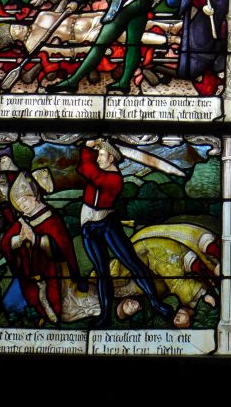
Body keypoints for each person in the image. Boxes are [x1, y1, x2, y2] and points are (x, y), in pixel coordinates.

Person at [76, 139, 174, 328]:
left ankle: (156, 303)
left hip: (107, 224)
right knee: (102, 272)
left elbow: (91, 174)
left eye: (101, 155)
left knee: (131, 262)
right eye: (98, 155)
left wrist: (87, 148)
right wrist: (91, 148)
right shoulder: (100, 170)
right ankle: (105, 315)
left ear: (111, 158)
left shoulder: (114, 179)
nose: (98, 159)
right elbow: (82, 169)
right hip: (88, 225)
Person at [0, 170, 83, 325]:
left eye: (25, 200)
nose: (23, 206)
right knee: (9, 304)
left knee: (50, 303)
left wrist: (36, 240)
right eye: (19, 204)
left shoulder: (51, 219)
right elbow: (5, 243)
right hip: (26, 274)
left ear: (35, 196)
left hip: (51, 272)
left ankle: (44, 310)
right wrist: (18, 239)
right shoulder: (23, 220)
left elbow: (62, 248)